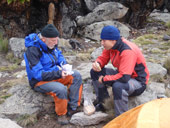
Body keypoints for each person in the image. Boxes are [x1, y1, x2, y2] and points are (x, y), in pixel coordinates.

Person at [24, 24, 83, 125]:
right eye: (53, 41)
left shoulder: (51, 43)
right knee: (60, 89)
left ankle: (73, 107)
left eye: (56, 40)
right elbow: (38, 74)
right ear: (43, 39)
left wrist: (63, 64)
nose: (56, 43)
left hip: (54, 74)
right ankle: (61, 114)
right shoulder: (33, 50)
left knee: (76, 75)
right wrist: (58, 73)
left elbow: (58, 54)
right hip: (39, 81)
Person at [90, 25, 149, 117]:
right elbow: (103, 58)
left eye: (104, 40)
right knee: (95, 72)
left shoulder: (127, 51)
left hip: (138, 82)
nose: (102, 43)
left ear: (113, 40)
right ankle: (104, 102)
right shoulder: (111, 46)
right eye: (101, 40)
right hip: (123, 74)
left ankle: (121, 118)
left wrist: (105, 79)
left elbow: (124, 77)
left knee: (118, 86)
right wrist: (98, 64)